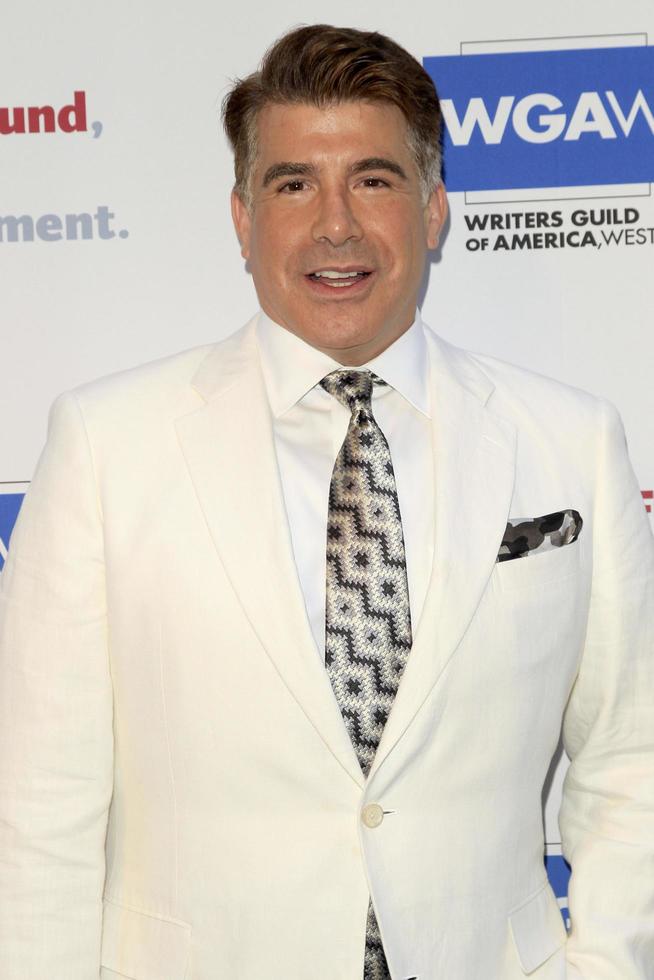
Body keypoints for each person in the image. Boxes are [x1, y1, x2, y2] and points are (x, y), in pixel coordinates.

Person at [0, 23, 652, 980]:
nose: (335, 224)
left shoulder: (571, 439)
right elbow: (39, 807)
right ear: (241, 217)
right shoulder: (107, 446)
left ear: (433, 209)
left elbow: (629, 761)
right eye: (293, 183)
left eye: (375, 180)